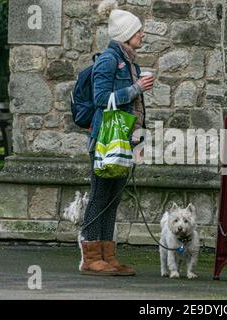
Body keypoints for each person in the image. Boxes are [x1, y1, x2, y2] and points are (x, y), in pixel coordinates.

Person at [78, 0, 154, 276]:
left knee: (113, 199)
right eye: (138, 31)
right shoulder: (110, 60)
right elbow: (101, 100)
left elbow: (137, 109)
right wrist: (136, 88)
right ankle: (90, 257)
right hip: (105, 140)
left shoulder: (131, 63)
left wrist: (141, 141)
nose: (143, 35)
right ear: (125, 35)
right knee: (100, 196)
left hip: (125, 140)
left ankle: (108, 256)